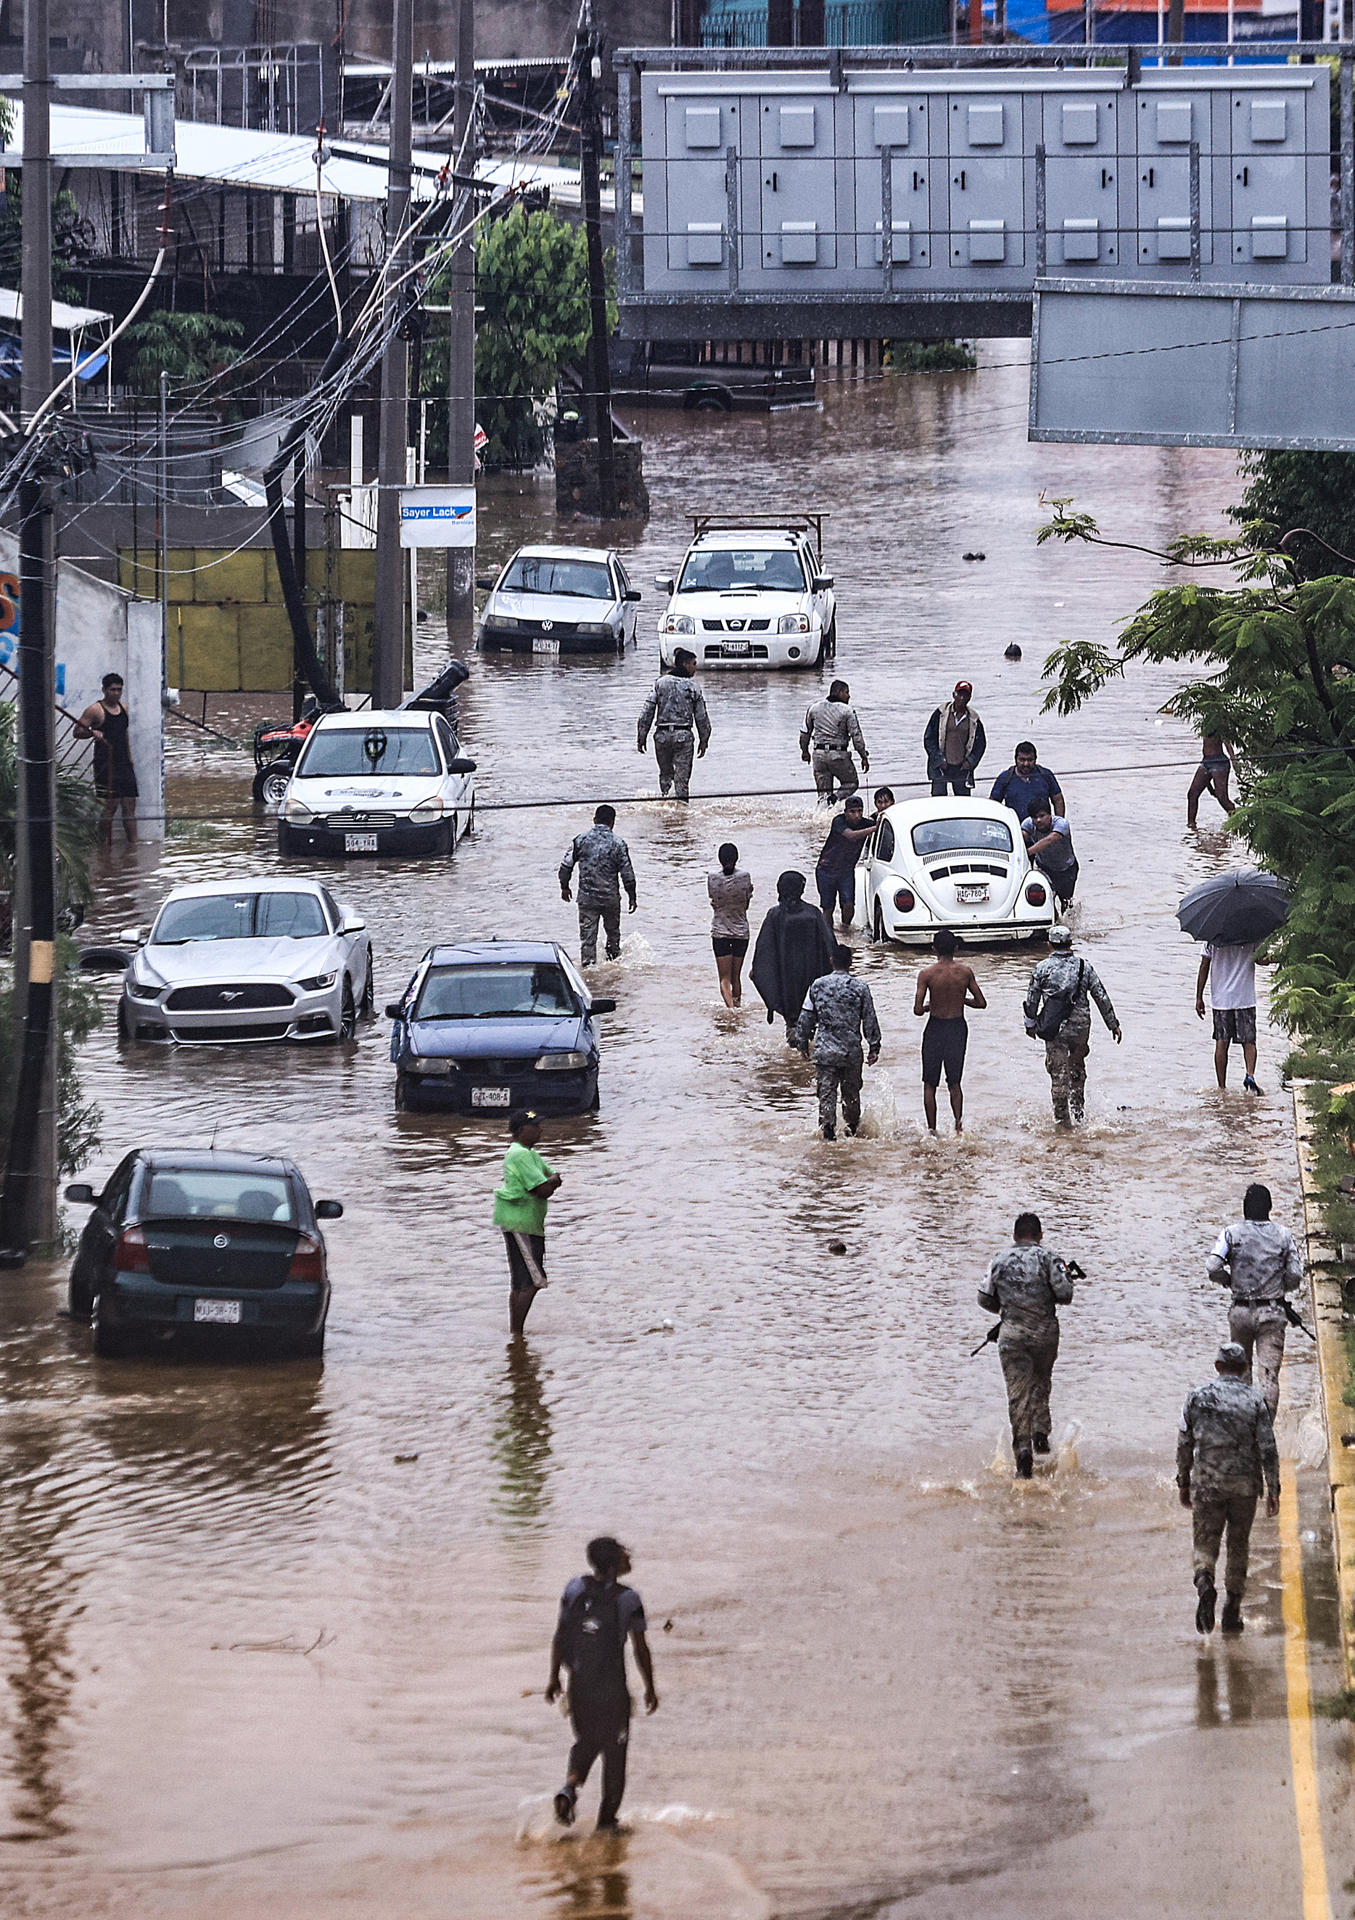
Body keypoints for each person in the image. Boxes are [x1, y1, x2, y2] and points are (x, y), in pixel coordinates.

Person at [546, 1536, 658, 1832]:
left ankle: (569, 1789)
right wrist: (650, 1687)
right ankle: (607, 1824)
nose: (629, 1558)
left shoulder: (574, 1589)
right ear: (614, 1564)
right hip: (612, 1689)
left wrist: (553, 1677)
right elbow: (640, 1649)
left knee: (586, 1741)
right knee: (614, 1753)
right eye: (624, 1555)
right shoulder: (628, 1599)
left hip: (579, 1684)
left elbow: (560, 1634)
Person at [1177, 1342, 1280, 1636]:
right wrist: (1274, 1488)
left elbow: (1184, 1443)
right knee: (1238, 1545)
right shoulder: (1255, 1400)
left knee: (1205, 1542)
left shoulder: (1196, 1398)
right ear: (1245, 1367)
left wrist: (1183, 1481)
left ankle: (1205, 1582)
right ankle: (1232, 1610)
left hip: (1207, 1483)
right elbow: (1268, 1448)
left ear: (1217, 1366)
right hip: (1244, 1486)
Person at [978, 1211, 1075, 1478]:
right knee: (1041, 1382)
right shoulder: (1049, 1258)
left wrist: (1008, 1309)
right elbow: (1065, 1295)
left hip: (1012, 1335)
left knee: (1017, 1392)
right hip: (1044, 1334)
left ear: (1014, 1236)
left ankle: (1022, 1451)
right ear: (1040, 1236)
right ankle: (1041, 1435)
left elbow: (984, 1298)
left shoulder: (997, 1260)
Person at [1206, 1182, 1303, 1418]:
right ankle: (1266, 1430)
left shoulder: (1231, 1233)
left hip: (1240, 1311)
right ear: (1269, 1208)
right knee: (1269, 1376)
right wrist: (1279, 1289)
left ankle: (1243, 1424)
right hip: (1272, 1312)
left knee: (1240, 1372)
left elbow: (1212, 1265)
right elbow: (1296, 1274)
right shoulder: (1283, 1235)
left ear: (1244, 1208)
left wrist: (1229, 1281)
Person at [1022, 925, 1121, 1125]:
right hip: (1081, 1028)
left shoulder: (1041, 969)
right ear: (1070, 944)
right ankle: (1079, 1115)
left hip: (1054, 1028)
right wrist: (1113, 1024)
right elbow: (1100, 996)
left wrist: (1030, 1025)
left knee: (1058, 1074)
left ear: (1049, 944)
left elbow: (1032, 999)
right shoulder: (1084, 967)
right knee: (1077, 1071)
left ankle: (1063, 1125)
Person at [795, 942, 882, 1141]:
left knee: (826, 1095)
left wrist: (802, 1043)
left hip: (825, 1051)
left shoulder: (816, 985)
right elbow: (869, 1017)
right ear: (851, 963)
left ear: (831, 961)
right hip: (851, 1051)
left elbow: (806, 1017)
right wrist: (874, 1046)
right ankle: (852, 1132)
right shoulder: (861, 987)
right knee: (851, 1095)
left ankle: (828, 1134)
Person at [492, 1110, 561, 1337]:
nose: (541, 1130)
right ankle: (517, 1334)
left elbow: (553, 1176)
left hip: (526, 1222)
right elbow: (543, 1189)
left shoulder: (530, 1154)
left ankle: (516, 1335)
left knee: (522, 1280)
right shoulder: (520, 1154)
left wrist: (550, 1181)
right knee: (533, 1280)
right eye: (536, 1126)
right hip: (521, 1222)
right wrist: (550, 1182)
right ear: (522, 1130)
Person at [913, 928, 987, 1134]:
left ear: (934, 948)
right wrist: (961, 999)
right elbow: (981, 1003)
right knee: (954, 1082)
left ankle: (932, 1130)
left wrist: (930, 1005)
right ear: (956, 947)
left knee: (930, 1083)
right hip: (957, 1028)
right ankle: (958, 1127)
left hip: (935, 1027)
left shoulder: (926, 974)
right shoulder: (965, 972)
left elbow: (918, 1010)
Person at [750, 870, 837, 1044]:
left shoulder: (775, 915)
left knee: (792, 1022)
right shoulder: (813, 914)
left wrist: (758, 972)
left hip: (786, 979)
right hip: (813, 976)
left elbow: (764, 950)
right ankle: (807, 1060)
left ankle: (793, 1064)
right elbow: (830, 946)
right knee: (813, 1018)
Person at [559, 805, 637, 968]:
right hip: (611, 899)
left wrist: (564, 887)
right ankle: (614, 970)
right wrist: (632, 896)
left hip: (587, 900)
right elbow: (627, 872)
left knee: (588, 940)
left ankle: (589, 975)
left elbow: (566, 866)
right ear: (612, 822)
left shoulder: (580, 840)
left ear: (594, 820)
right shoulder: (619, 844)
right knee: (613, 936)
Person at [637, 648, 710, 801]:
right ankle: (681, 816)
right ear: (685, 664)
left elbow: (647, 712)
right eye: (693, 664)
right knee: (682, 780)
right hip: (683, 736)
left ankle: (666, 810)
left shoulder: (659, 683)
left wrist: (641, 735)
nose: (695, 668)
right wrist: (704, 740)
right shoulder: (693, 688)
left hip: (661, 736)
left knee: (665, 777)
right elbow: (701, 718)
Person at [75, 671, 138, 845]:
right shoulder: (95, 710)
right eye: (112, 690)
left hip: (124, 762)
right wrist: (91, 733)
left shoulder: (124, 708)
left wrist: (130, 758)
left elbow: (124, 733)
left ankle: (133, 846)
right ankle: (103, 845)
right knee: (110, 806)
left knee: (130, 805)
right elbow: (77, 732)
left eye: (119, 690)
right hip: (105, 763)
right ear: (104, 690)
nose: (116, 693)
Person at [1195, 939, 1261, 1093]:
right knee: (1249, 1041)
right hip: (1244, 997)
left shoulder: (1212, 937)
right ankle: (1250, 1076)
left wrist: (1199, 996)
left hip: (1221, 1000)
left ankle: (1222, 1087)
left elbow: (1204, 965)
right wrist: (1280, 958)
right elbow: (1261, 959)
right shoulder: (1252, 934)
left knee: (1221, 1042)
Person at [800, 679, 869, 802]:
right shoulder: (847, 711)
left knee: (823, 796)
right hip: (838, 756)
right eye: (846, 692)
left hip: (818, 756)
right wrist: (863, 756)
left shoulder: (813, 708)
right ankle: (835, 799)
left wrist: (805, 751)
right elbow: (856, 736)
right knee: (851, 783)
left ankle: (822, 815)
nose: (849, 696)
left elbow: (804, 733)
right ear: (838, 692)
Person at [814, 794, 875, 927]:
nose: (857, 815)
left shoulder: (866, 823)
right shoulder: (838, 821)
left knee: (848, 905)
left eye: (859, 811)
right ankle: (828, 936)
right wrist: (874, 828)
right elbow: (851, 836)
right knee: (828, 907)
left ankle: (845, 930)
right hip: (826, 870)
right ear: (846, 812)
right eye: (853, 812)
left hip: (846, 871)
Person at [709, 841, 754, 1008]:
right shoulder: (745, 877)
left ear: (720, 859)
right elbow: (745, 905)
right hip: (741, 932)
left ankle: (731, 1012)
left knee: (724, 979)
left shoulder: (712, 878)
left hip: (720, 931)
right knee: (736, 978)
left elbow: (715, 901)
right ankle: (737, 1007)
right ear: (737, 858)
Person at [924, 681, 986, 797]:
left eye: (966, 695)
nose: (962, 698)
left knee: (963, 803)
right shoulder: (940, 713)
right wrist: (938, 759)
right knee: (938, 801)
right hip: (941, 766)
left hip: (962, 768)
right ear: (954, 695)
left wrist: (970, 762)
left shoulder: (974, 719)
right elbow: (929, 739)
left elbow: (980, 745)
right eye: (959, 694)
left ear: (970, 697)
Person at [1022, 797, 1079, 909]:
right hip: (1044, 868)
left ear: (1050, 815)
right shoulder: (1028, 824)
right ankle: (1055, 921)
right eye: (1035, 817)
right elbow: (1019, 837)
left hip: (1067, 869)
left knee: (1066, 903)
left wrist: (1027, 852)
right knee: (1047, 899)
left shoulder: (1061, 824)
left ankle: (1068, 923)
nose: (1038, 820)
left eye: (1042, 816)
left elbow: (1050, 840)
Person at [990, 741, 1064, 823]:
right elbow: (993, 805)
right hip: (1016, 827)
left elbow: (1058, 800)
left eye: (1030, 760)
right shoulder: (1005, 778)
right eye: (1022, 760)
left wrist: (1058, 824)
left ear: (1036, 759)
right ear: (1015, 759)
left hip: (1042, 828)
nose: (1026, 764)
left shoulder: (1045, 775)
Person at [1186, 727, 1240, 828]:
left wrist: (1234, 761)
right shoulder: (1205, 724)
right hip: (1206, 761)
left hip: (1219, 762)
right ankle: (1191, 826)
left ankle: (1237, 822)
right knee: (1192, 794)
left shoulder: (1218, 722)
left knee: (1222, 798)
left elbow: (1227, 744)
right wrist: (1210, 788)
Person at [872, 786, 897, 863]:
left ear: (892, 802)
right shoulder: (872, 820)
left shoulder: (899, 816)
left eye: (886, 802)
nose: (883, 806)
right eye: (880, 802)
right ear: (875, 803)